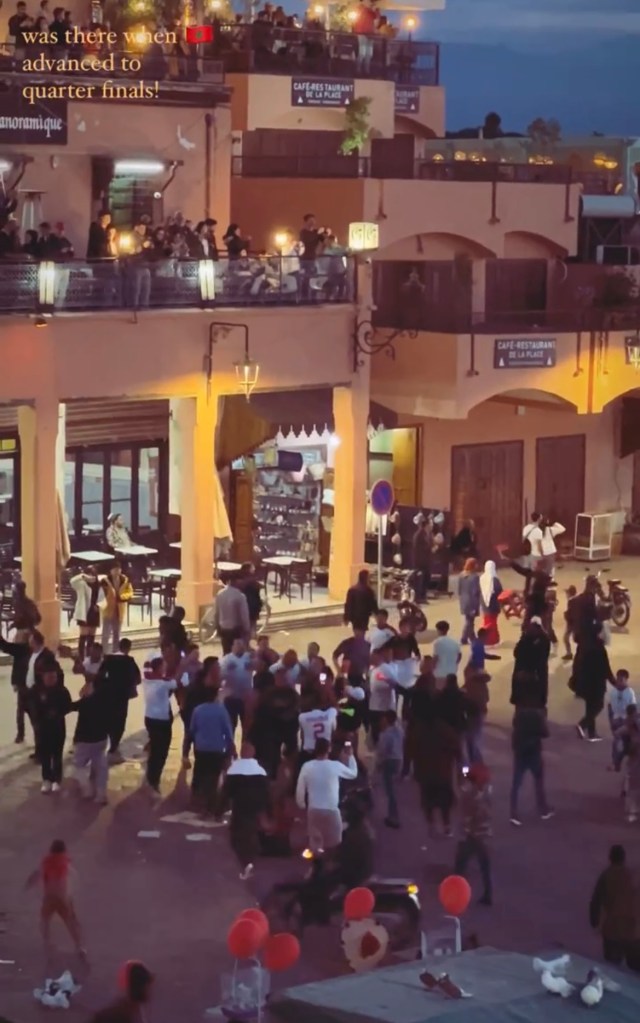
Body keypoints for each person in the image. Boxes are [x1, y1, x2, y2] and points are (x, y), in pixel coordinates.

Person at [25, 840, 87, 966]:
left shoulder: (46, 862)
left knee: (45, 920)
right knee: (71, 922)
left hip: (49, 898)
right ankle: (79, 946)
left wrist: (27, 886)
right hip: (62, 898)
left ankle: (47, 942)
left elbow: (36, 875)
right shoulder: (65, 862)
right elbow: (73, 879)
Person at [296, 737, 358, 854]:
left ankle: (317, 861)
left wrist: (301, 804)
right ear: (329, 749)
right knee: (334, 843)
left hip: (313, 810)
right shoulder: (335, 766)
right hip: (331, 810)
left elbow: (300, 788)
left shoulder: (307, 766)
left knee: (316, 844)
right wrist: (351, 756)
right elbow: (353, 774)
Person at [224, 741, 269, 880]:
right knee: (252, 832)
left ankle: (246, 862)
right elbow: (266, 792)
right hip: (256, 807)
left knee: (237, 837)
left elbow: (226, 792)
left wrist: (218, 810)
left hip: (240, 807)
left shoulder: (233, 769)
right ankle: (252, 857)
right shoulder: (260, 770)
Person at [190, 683, 234, 816]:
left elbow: (192, 730)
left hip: (201, 748)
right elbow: (228, 732)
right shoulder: (221, 711)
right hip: (216, 749)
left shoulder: (197, 710)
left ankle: (198, 801)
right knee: (214, 777)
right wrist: (231, 748)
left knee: (200, 773)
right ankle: (211, 805)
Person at [509, 694, 554, 826]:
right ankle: (543, 809)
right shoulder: (537, 715)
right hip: (534, 751)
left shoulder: (518, 715)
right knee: (538, 781)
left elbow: (514, 726)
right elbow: (545, 733)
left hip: (520, 751)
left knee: (516, 783)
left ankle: (513, 812)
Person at [589, 845, 636, 965]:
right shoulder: (632, 876)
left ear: (610, 858)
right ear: (624, 858)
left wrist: (594, 922)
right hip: (633, 930)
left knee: (612, 968)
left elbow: (596, 901)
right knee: (635, 970)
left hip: (613, 930)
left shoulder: (606, 876)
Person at [454, 762, 493, 906]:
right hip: (484, 833)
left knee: (460, 866)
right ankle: (488, 894)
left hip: (472, 835)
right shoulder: (487, 792)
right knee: (484, 866)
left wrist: (465, 831)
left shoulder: (471, 795)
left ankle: (457, 894)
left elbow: (468, 815)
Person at [142, 654, 181, 794]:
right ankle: (153, 780)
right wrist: (183, 665)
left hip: (149, 718)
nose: (165, 668)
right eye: (163, 666)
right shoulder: (163, 684)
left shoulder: (147, 681)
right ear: (159, 668)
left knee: (155, 750)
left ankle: (151, 777)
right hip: (161, 721)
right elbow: (176, 682)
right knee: (161, 752)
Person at [97, 638, 141, 761]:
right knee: (120, 720)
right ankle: (114, 744)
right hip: (122, 696)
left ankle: (109, 741)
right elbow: (137, 678)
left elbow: (100, 675)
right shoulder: (129, 661)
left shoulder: (109, 659)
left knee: (110, 718)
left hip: (109, 694)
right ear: (128, 648)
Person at [32, 657, 72, 793]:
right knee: (45, 755)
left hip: (58, 727)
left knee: (57, 755)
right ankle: (46, 779)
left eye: (53, 677)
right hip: (43, 728)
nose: (51, 679)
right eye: (48, 677)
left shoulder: (62, 691)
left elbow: (68, 707)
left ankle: (56, 780)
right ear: (43, 677)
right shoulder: (37, 690)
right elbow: (33, 708)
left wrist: (57, 712)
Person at [69, 679, 110, 804]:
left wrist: (82, 695)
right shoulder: (106, 701)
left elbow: (70, 706)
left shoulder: (86, 702)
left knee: (79, 765)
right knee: (101, 766)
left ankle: (87, 790)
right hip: (101, 738)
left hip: (84, 739)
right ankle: (101, 794)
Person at [572, 626, 614, 741]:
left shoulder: (583, 645)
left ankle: (591, 733)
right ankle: (583, 724)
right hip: (597, 682)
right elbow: (605, 667)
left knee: (590, 706)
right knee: (598, 705)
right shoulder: (599, 648)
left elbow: (576, 663)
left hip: (586, 681)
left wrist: (576, 678)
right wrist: (614, 682)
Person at [88, 961, 154, 1023]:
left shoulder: (134, 1011)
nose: (150, 990)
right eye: (148, 985)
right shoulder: (121, 1014)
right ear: (143, 987)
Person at [510, 617, 551, 709]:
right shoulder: (529, 638)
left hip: (533, 670)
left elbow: (541, 656)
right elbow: (517, 652)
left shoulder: (541, 639)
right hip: (528, 670)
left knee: (531, 692)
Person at [220, 637, 254, 734]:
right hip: (231, 698)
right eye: (237, 644)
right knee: (231, 725)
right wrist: (227, 670)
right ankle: (230, 743)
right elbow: (220, 676)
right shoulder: (226, 660)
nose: (240, 646)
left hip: (246, 698)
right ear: (232, 647)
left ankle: (245, 743)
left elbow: (259, 664)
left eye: (241, 644)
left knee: (247, 726)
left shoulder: (249, 657)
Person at [298, 684, 337, 768]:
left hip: (308, 754)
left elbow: (302, 737)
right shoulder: (331, 713)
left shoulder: (302, 717)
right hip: (326, 753)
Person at [376, 709, 403, 829]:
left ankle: (393, 816)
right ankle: (393, 815)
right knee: (393, 789)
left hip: (388, 761)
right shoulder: (400, 731)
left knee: (390, 790)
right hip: (398, 760)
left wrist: (379, 763)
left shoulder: (385, 734)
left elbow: (383, 751)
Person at [70, 565, 101, 660]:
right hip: (84, 612)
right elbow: (72, 581)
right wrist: (83, 576)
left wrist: (99, 606)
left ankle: (89, 656)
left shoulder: (98, 585)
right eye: (89, 574)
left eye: (93, 574)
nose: (91, 577)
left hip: (95, 612)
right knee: (83, 635)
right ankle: (81, 657)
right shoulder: (81, 584)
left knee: (92, 635)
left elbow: (103, 598)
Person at [101, 563, 133, 653]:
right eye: (114, 569)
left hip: (119, 610)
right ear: (110, 571)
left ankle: (115, 652)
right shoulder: (105, 581)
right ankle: (104, 652)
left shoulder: (125, 580)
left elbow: (130, 592)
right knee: (106, 634)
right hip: (108, 610)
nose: (116, 571)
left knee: (117, 634)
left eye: (118, 569)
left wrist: (122, 597)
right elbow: (101, 594)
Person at [608, 669, 636, 772]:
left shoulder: (630, 692)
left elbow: (632, 708)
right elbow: (610, 707)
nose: (619, 682)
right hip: (616, 720)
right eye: (618, 679)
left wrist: (630, 722)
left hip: (625, 721)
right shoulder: (613, 692)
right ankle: (615, 763)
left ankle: (621, 763)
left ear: (626, 680)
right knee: (616, 742)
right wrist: (611, 720)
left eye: (621, 680)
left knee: (626, 744)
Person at [213, 578, 251, 653]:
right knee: (237, 653)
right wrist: (247, 630)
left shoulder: (220, 594)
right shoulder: (240, 596)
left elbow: (216, 613)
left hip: (224, 628)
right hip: (236, 630)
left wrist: (217, 627)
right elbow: (244, 616)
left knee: (226, 651)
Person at [478, 560, 502, 645]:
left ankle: (487, 639)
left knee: (486, 621)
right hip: (493, 605)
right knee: (492, 623)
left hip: (484, 604)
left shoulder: (482, 578)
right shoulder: (494, 579)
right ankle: (492, 640)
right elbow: (499, 591)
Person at [432, 620, 461, 688]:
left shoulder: (437, 642)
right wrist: (454, 664)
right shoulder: (455, 642)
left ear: (438, 630)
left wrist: (431, 669)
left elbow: (435, 658)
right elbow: (459, 656)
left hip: (440, 674)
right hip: (452, 673)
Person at [458, 558, 480, 645]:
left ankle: (472, 637)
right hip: (472, 601)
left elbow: (459, 590)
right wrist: (476, 605)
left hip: (463, 600)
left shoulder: (461, 575)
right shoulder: (475, 577)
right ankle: (464, 638)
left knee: (469, 619)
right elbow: (475, 591)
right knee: (469, 621)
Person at [411, 517, 433, 604]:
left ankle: (423, 596)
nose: (432, 525)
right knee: (420, 580)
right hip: (420, 562)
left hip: (426, 562)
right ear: (426, 525)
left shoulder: (428, 534)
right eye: (430, 523)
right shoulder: (419, 535)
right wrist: (430, 548)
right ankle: (418, 598)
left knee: (426, 579)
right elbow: (419, 549)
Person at [240, 562, 263, 636]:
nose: (254, 569)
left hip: (242, 606)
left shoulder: (240, 579)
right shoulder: (252, 580)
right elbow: (256, 592)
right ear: (249, 569)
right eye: (252, 568)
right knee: (252, 624)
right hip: (252, 606)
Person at [562, 584, 578, 662]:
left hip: (572, 623)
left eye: (567, 593)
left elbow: (571, 613)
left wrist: (566, 615)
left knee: (566, 638)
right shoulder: (576, 599)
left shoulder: (571, 601)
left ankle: (569, 653)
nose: (566, 594)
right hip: (575, 622)